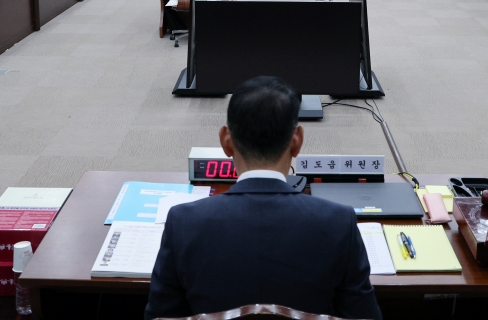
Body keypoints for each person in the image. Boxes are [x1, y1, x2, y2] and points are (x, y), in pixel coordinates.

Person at [145, 76, 381, 320]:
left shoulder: (183, 222)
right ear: (297, 141)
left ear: (226, 140)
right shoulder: (339, 223)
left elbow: (160, 315)